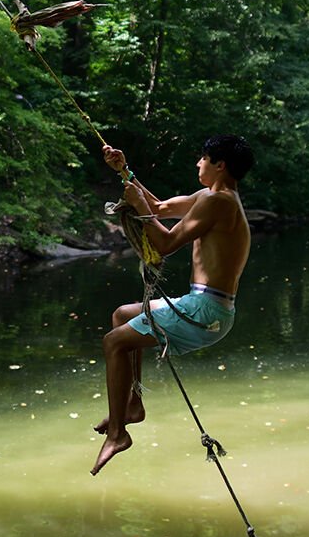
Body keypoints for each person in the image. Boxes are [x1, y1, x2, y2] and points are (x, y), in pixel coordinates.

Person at [91, 134, 254, 476]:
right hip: (204, 306)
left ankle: (118, 434)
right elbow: (160, 208)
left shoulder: (219, 203)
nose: (198, 164)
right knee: (121, 315)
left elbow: (164, 243)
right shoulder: (210, 197)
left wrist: (137, 206)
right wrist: (125, 173)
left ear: (219, 165)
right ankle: (133, 404)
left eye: (203, 158)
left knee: (114, 342)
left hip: (205, 312)